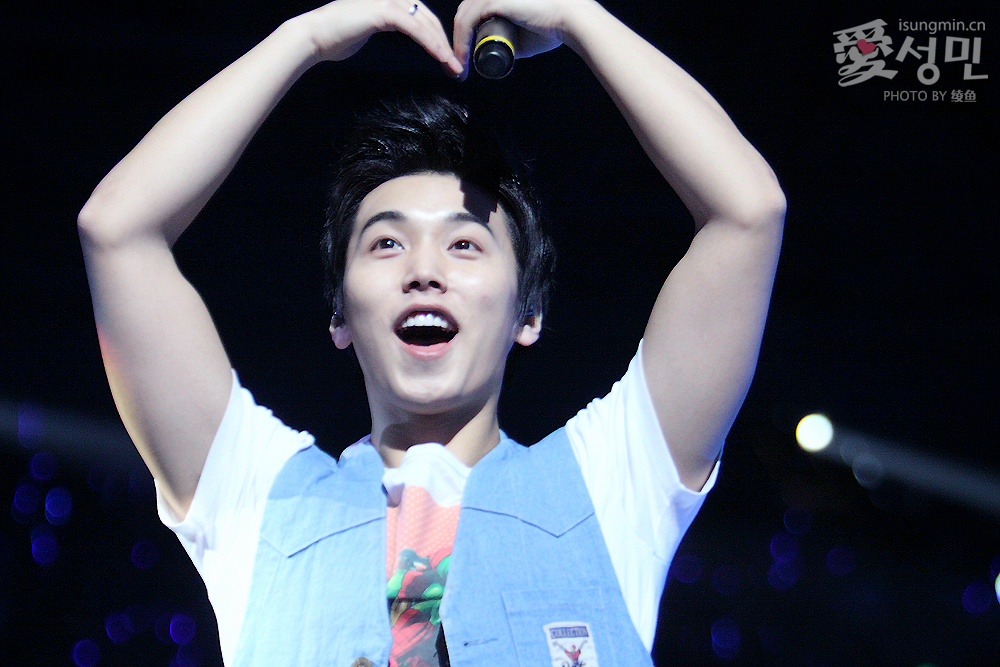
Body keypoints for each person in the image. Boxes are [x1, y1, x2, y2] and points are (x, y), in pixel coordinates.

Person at [77, 0, 785, 665]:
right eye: (386, 244)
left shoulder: (612, 484)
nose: (423, 271)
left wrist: (580, 16)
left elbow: (747, 213)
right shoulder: (260, 500)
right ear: (339, 314)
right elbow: (117, 230)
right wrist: (304, 37)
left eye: (464, 244)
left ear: (528, 313)